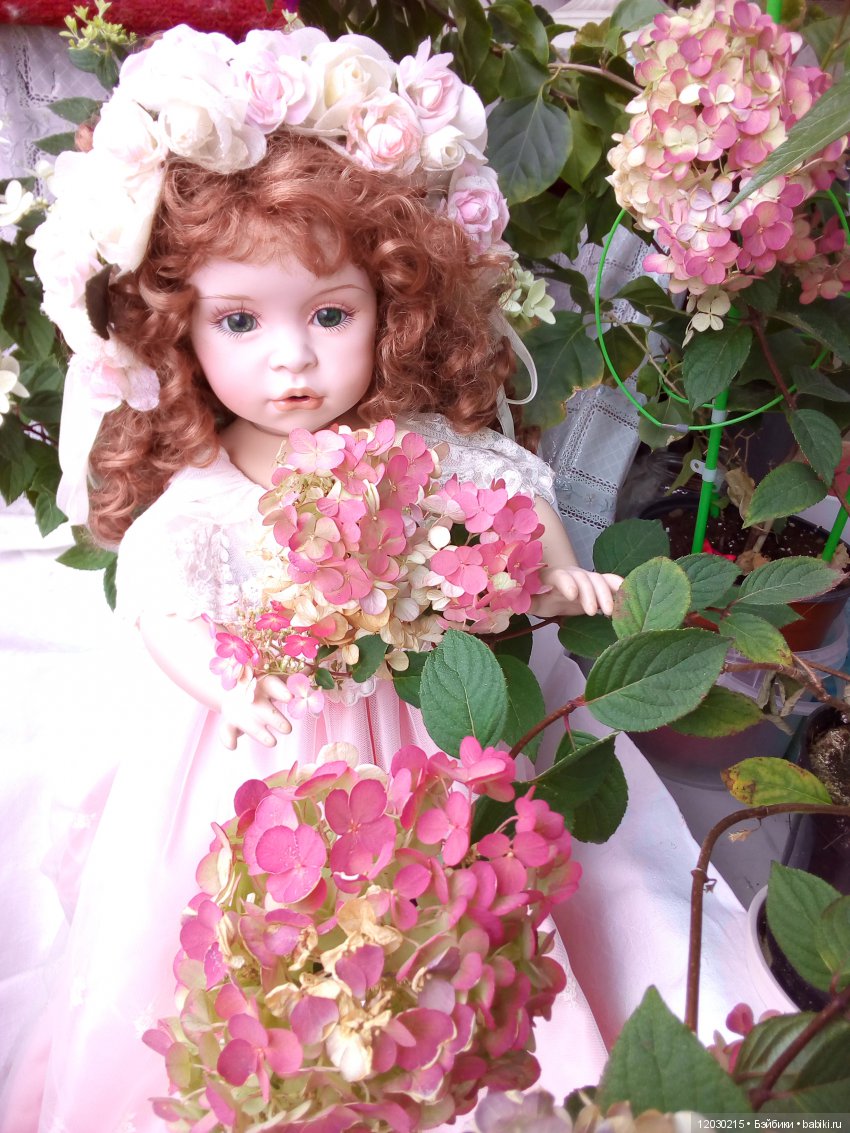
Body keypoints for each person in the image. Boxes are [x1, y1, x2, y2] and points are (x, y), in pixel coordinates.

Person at [4, 22, 632, 1133]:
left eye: (329, 314)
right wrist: (223, 680)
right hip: (244, 744)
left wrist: (559, 569)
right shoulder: (204, 481)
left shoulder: (413, 440)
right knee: (219, 925)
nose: (290, 358)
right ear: (179, 327)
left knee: (425, 916)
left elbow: (506, 485)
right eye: (239, 321)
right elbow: (163, 596)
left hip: (407, 722)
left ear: (394, 305)